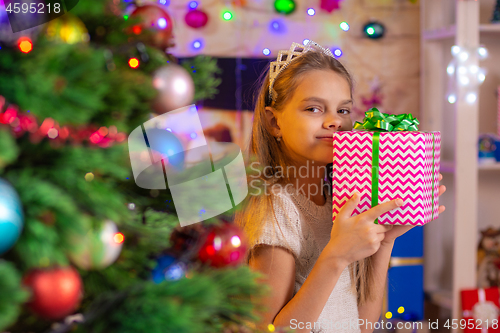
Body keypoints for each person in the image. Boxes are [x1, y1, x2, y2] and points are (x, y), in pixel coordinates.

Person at [233, 41, 447, 333]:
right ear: (274, 122)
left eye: (343, 110)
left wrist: (385, 241)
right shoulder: (278, 208)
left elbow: (362, 325)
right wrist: (336, 256)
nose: (335, 121)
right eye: (313, 108)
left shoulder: (340, 200)